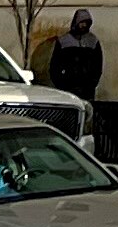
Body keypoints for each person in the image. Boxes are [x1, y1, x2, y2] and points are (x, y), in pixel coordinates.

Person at [47, 9, 109, 156]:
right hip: (68, 88)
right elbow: (54, 66)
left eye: (86, 23)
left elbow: (97, 65)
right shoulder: (63, 41)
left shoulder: (93, 41)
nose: (83, 25)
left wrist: (92, 83)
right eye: (81, 22)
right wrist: (61, 83)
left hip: (86, 89)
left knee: (86, 119)